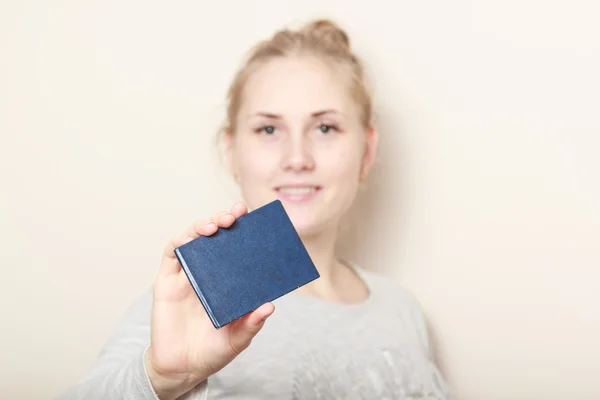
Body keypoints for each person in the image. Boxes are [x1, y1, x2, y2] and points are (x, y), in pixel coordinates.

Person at [58, 18, 452, 400]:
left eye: (325, 128)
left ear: (367, 150)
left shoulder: (402, 308)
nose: (297, 158)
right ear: (232, 153)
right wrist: (163, 380)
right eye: (268, 129)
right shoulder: (191, 303)